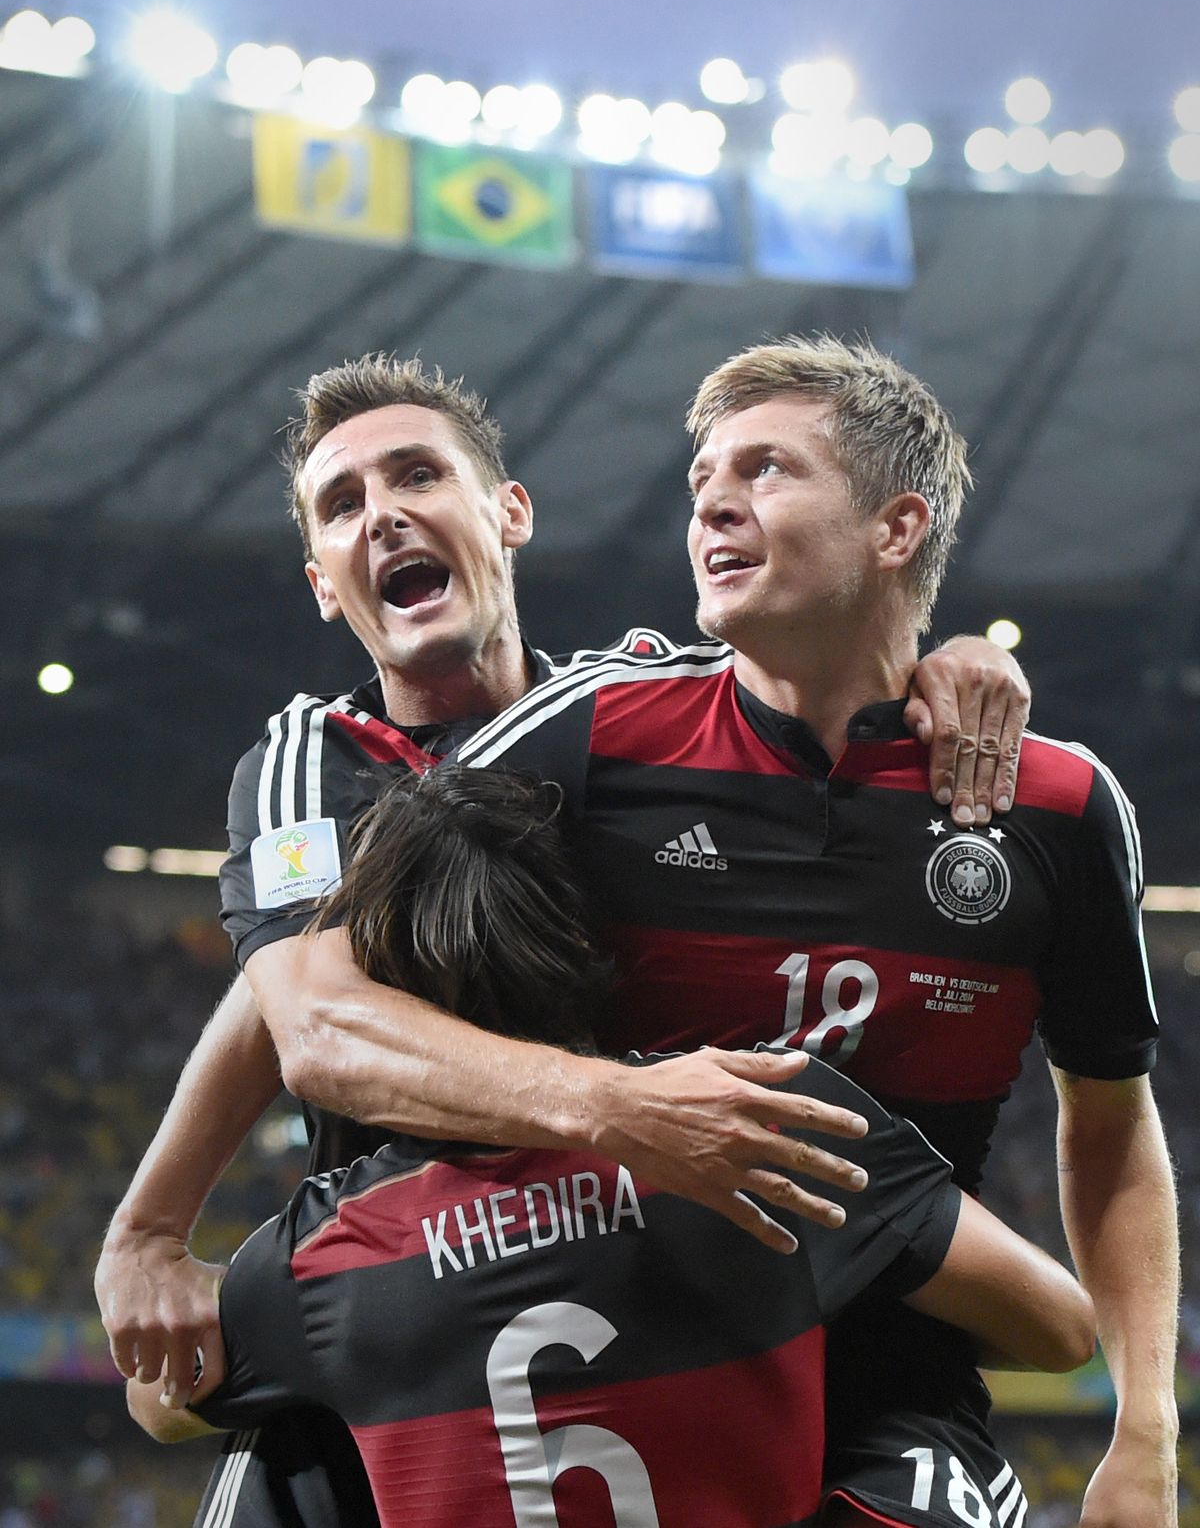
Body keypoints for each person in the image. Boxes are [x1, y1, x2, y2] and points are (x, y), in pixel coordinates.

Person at [94, 353, 1031, 1527]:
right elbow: (311, 1017)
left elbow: (827, 672)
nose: (381, 513)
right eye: (341, 506)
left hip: (667, 1273)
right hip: (407, 1306)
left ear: (509, 512)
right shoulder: (312, 765)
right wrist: (147, 1228)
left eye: (417, 474)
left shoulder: (641, 705)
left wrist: (948, 665)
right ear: (325, 584)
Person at [451, 336, 1177, 1527]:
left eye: (769, 469)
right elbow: (324, 963)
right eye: (702, 483)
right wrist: (160, 1224)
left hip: (896, 1400)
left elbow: (1109, 1122)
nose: (714, 504)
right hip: (618, 1382)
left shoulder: (1056, 806)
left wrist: (1144, 1429)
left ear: (897, 529)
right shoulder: (590, 735)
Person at [127, 764, 1095, 1528]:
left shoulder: (326, 1255)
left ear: (378, 984)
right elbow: (1057, 1330)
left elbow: (161, 1404)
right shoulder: (765, 1120)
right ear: (590, 938)